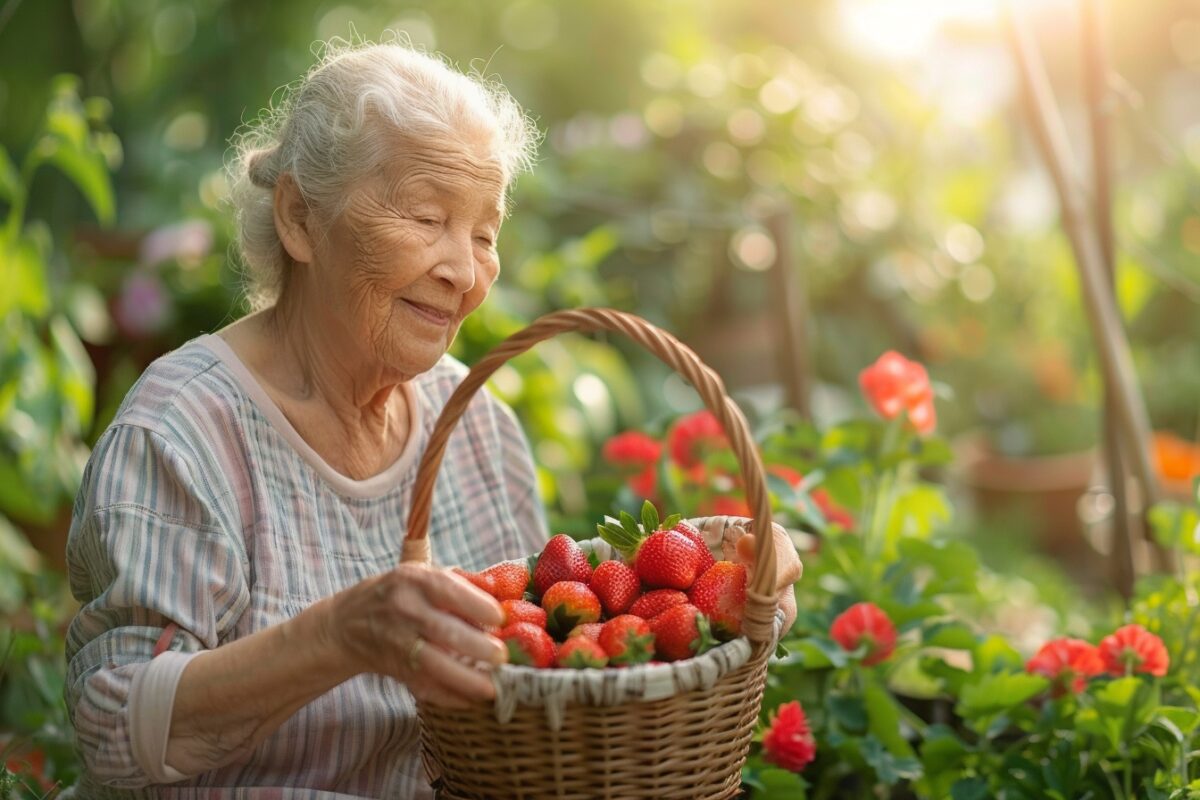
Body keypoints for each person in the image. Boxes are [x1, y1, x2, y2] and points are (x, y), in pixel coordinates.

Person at [64, 39, 801, 799]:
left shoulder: (477, 428)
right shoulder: (182, 432)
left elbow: (537, 669)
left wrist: (719, 579)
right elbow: (113, 731)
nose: (466, 270)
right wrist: (339, 636)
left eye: (485, 233)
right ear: (299, 219)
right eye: (426, 216)